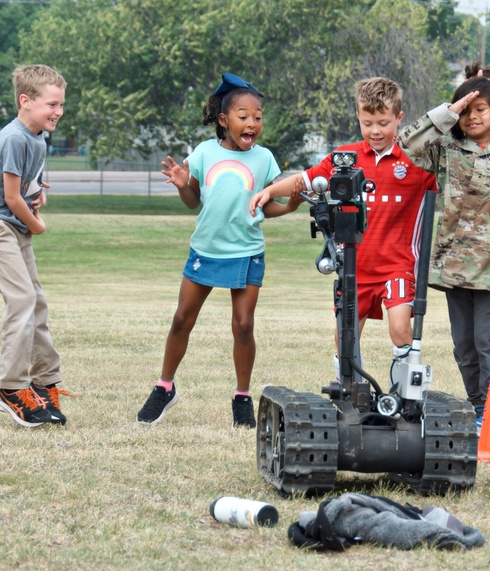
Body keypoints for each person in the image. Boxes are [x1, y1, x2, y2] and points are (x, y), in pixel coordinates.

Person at [136, 73, 300, 429]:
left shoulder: (264, 159)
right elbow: (193, 201)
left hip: (247, 252)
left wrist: (287, 208)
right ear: (224, 120)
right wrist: (183, 184)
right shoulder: (204, 153)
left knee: (243, 325)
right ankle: (165, 388)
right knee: (182, 319)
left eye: (257, 116)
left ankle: (242, 397)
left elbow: (264, 204)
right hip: (205, 250)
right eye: (244, 115)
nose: (252, 123)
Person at [249, 78, 435, 366]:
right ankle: (348, 393)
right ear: (358, 118)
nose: (375, 131)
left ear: (399, 119)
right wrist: (270, 191)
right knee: (344, 337)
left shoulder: (417, 161)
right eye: (368, 122)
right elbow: (306, 181)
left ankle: (406, 396)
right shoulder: (344, 158)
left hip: (398, 266)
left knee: (400, 328)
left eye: (383, 123)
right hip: (352, 265)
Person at [396, 76, 490, 429]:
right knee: (463, 345)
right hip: (454, 268)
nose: (472, 117)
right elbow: (407, 143)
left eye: (479, 109)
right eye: (466, 111)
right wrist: (448, 112)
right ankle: (479, 408)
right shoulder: (447, 149)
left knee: (487, 341)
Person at [0, 64, 68, 428]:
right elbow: (11, 197)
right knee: (22, 300)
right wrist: (38, 225)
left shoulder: (35, 137)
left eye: (61, 105)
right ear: (25, 101)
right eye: (51, 104)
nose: (58, 112)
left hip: (13, 227)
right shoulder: (15, 137)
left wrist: (37, 188)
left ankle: (43, 383)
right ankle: (9, 389)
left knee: (36, 301)